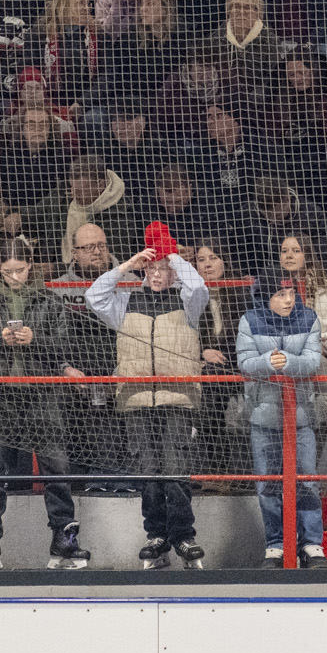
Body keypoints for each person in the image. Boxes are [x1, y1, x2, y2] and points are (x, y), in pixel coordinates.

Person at [88, 233, 211, 572]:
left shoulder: (189, 303)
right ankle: (155, 535)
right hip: (136, 398)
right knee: (148, 470)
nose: (156, 274)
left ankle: (184, 535)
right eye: (151, 268)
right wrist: (126, 266)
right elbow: (93, 296)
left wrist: (174, 257)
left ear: (172, 271)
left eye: (163, 268)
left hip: (177, 397)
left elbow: (200, 287)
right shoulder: (124, 303)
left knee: (175, 467)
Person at [0, 235, 87, 570]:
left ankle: (64, 541)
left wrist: (36, 340)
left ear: (30, 266)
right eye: (8, 271)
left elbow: (65, 346)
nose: (14, 276)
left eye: (19, 269)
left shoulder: (49, 301)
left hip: (42, 394)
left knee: (56, 467)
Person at [238, 260, 327, 564]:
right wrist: (268, 362)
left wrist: (286, 362)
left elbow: (313, 361)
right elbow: (246, 364)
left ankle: (311, 545)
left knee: (307, 480)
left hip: (301, 417)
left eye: (290, 291)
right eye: (280, 294)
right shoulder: (249, 321)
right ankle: (276, 544)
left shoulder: (310, 318)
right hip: (263, 418)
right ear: (266, 296)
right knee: (266, 482)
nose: (288, 299)